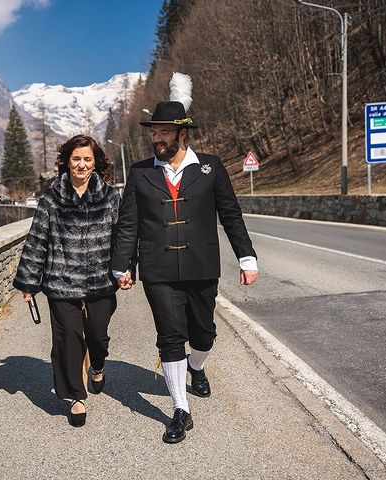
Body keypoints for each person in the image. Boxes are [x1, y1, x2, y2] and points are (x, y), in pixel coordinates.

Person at [111, 73, 258, 443]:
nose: (156, 139)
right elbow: (129, 223)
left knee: (203, 334)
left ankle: (197, 366)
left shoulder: (210, 166)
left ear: (182, 134)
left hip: (201, 265)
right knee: (170, 336)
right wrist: (122, 264)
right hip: (158, 268)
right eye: (153, 133)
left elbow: (230, 214)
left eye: (163, 133)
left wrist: (246, 256)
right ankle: (180, 410)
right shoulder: (141, 173)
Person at [12, 134, 120, 427]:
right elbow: (37, 241)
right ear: (67, 162)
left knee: (97, 335)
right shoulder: (51, 199)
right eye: (76, 159)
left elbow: (123, 239)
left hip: (101, 280)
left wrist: (126, 269)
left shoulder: (110, 197)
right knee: (68, 339)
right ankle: (75, 396)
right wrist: (29, 282)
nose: (81, 165)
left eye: (87, 159)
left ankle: (97, 365)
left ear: (96, 162)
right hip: (61, 281)